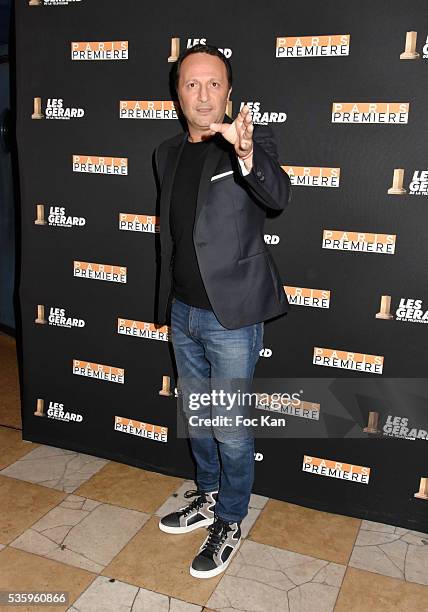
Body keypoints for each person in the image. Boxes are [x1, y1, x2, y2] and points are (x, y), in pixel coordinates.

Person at [154, 43, 291, 579]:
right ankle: (209, 497)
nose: (203, 94)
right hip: (183, 312)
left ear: (229, 92)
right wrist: (164, 304)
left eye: (214, 84)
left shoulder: (248, 144)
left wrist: (248, 154)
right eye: (192, 84)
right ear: (178, 94)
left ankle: (231, 519)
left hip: (231, 316)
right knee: (198, 417)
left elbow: (277, 195)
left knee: (230, 427)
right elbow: (170, 235)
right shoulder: (165, 152)